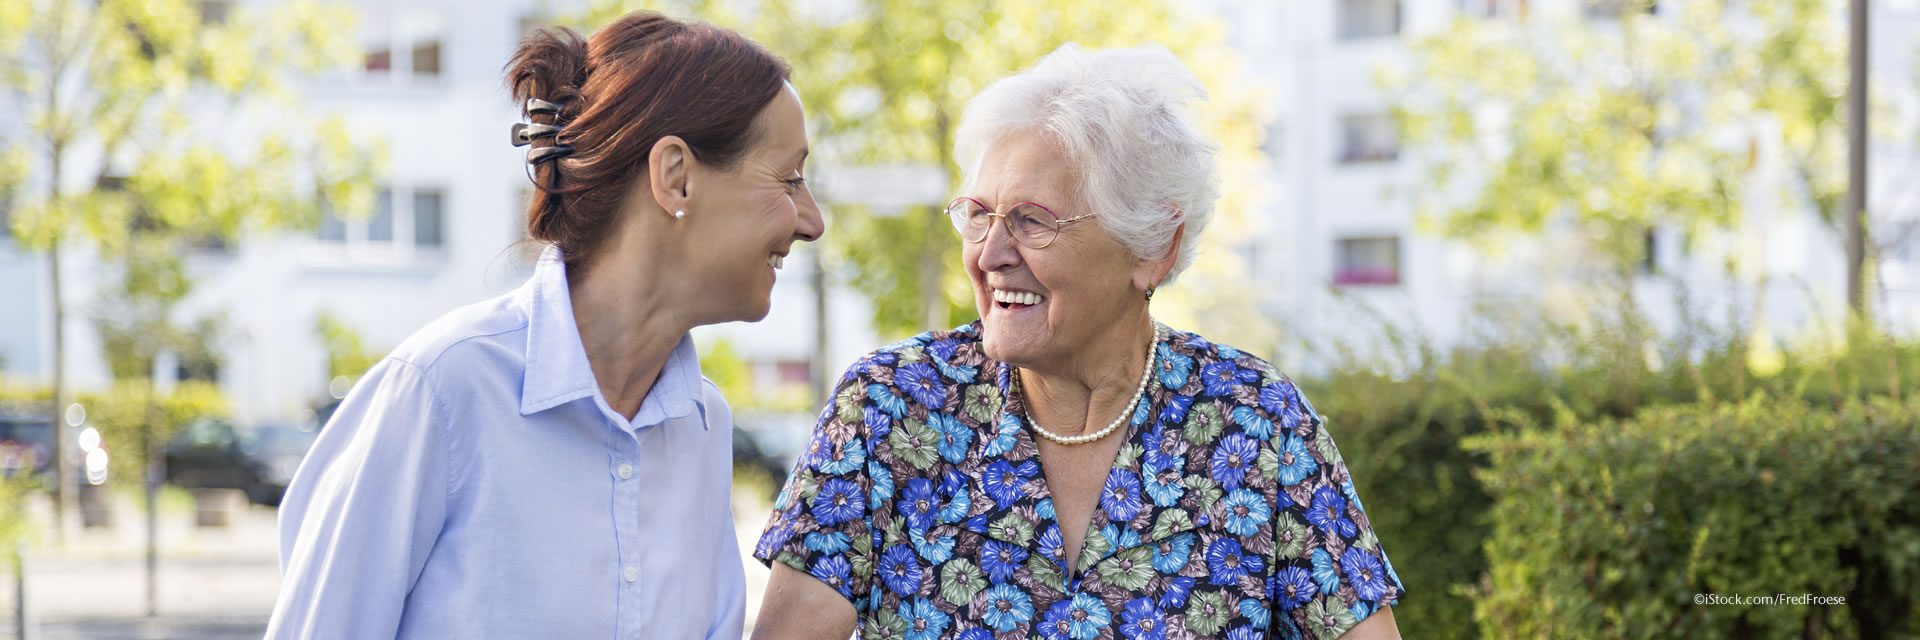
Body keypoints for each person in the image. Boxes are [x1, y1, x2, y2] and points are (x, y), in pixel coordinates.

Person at [751, 44, 1403, 639]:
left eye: (1032, 221)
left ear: (1154, 247)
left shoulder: (1258, 424)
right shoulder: (890, 411)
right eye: (978, 214)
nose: (990, 254)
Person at [266, 11, 822, 638]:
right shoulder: (439, 391)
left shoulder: (703, 425)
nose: (811, 221)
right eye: (790, 177)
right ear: (676, 177)